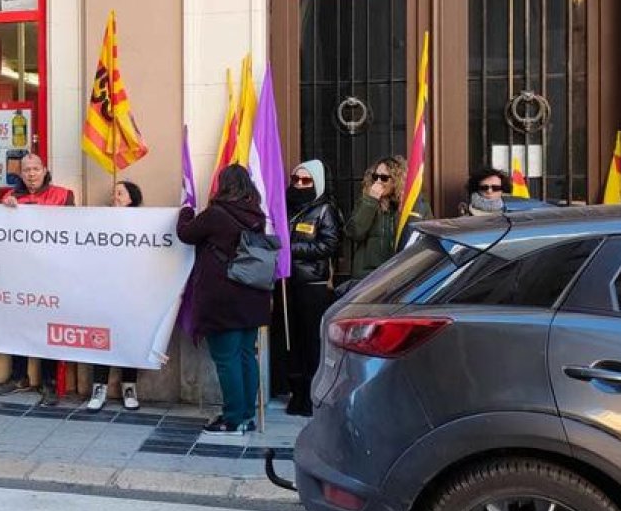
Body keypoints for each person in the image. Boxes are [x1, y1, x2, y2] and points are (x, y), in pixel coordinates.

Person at [177, 164, 271, 434]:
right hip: (251, 296)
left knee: (226, 358)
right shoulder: (257, 215)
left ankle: (232, 418)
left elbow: (186, 233)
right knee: (245, 356)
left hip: (223, 298)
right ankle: (246, 415)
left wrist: (185, 209)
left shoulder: (217, 214)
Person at [0, 154, 74, 406]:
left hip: (50, 273)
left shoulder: (63, 195)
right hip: (19, 272)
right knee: (18, 324)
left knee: (47, 327)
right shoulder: (11, 198)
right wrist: (3, 211)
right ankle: (19, 377)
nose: (30, 174)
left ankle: (49, 383)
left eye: (35, 169)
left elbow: (73, 228)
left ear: (44, 170)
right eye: (26, 170)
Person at [272, 161, 341, 417]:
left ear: (318, 183)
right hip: (286, 283)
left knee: (313, 341)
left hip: (313, 285)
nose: (299, 185)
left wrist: (291, 251)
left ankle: (312, 394)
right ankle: (295, 392)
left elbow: (328, 245)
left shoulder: (325, 210)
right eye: (296, 179)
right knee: (291, 340)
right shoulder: (286, 209)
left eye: (306, 181)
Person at [88, 180, 144, 412]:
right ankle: (98, 388)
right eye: (114, 193)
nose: (115, 197)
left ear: (131, 198)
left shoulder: (143, 223)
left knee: (128, 338)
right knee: (101, 339)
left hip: (131, 292)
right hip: (105, 290)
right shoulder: (102, 220)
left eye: (120, 193)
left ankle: (129, 387)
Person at [344, 155, 432, 279]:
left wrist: (407, 209)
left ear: (396, 180)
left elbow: (421, 238)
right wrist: (370, 201)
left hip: (399, 274)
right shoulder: (366, 201)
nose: (378, 181)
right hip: (369, 276)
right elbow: (354, 233)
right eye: (375, 177)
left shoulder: (413, 203)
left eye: (384, 178)